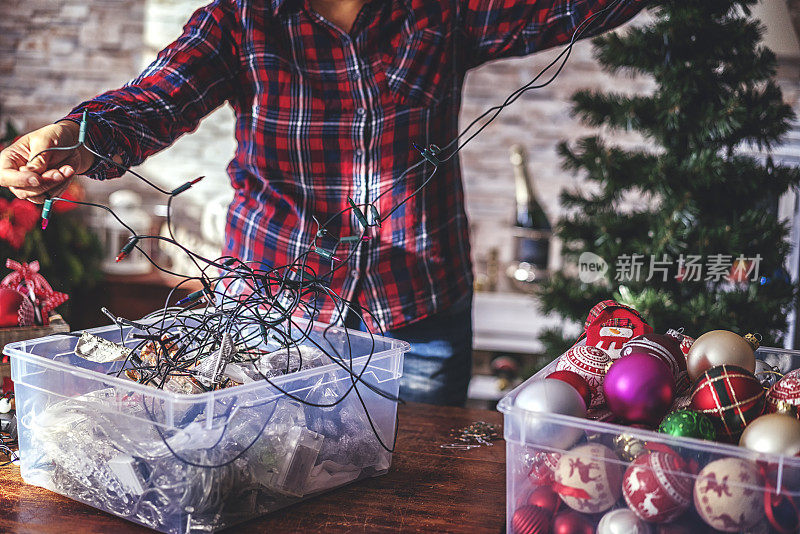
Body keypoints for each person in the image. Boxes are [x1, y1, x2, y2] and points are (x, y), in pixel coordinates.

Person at [0, 0, 646, 406]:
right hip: (265, 322)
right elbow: (152, 101)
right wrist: (77, 142)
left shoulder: (441, 11)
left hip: (419, 322)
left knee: (415, 502)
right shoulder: (240, 19)